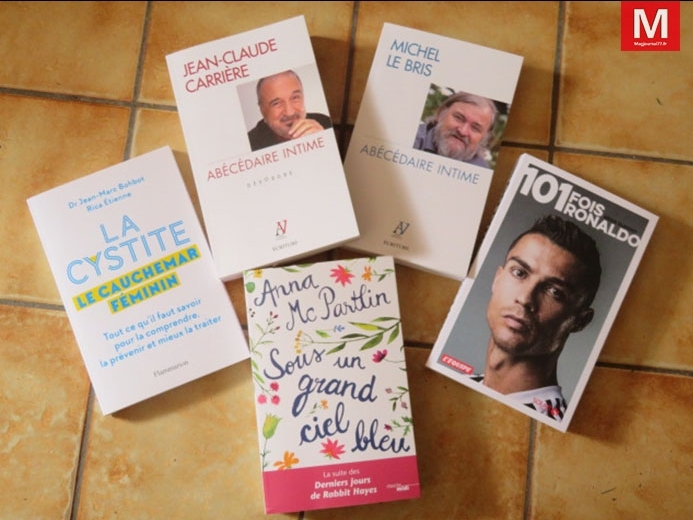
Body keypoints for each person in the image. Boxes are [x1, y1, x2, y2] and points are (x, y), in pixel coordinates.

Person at [475, 214, 602, 421]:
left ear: (580, 321)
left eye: (554, 292)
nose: (525, 298)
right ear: (497, 279)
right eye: (519, 273)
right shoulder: (463, 382)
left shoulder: (550, 424)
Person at [247, 69, 332, 151]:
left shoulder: (325, 123)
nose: (289, 112)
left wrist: (325, 143)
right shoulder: (249, 145)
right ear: (262, 111)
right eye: (276, 103)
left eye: (295, 98)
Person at [413, 91, 498, 167]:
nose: (463, 131)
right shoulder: (411, 140)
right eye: (459, 118)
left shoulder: (480, 170)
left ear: (484, 137)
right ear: (441, 114)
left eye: (475, 128)